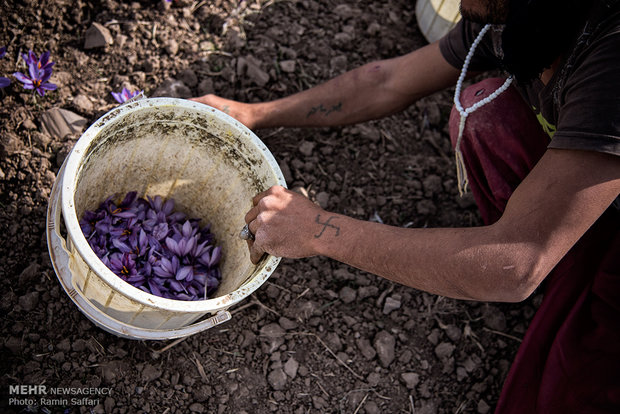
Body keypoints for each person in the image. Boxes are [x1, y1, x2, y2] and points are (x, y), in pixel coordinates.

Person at [191, 0, 620, 412]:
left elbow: (516, 262)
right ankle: (563, 257)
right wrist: (249, 113)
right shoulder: (514, 11)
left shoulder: (611, 54)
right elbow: (387, 81)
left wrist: (319, 230)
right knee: (484, 113)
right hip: (588, 184)